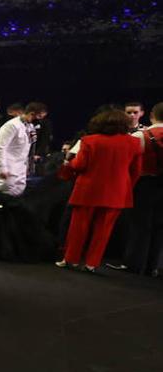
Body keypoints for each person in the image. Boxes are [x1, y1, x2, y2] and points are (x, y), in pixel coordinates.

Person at [57, 109, 143, 272]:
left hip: (88, 189)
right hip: (116, 192)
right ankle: (92, 264)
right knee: (104, 230)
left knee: (79, 226)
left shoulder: (89, 140)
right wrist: (125, 186)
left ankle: (71, 259)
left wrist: (70, 162)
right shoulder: (134, 143)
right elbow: (136, 171)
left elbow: (80, 165)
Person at [122, 102, 163, 275]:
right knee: (160, 226)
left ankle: (134, 264)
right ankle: (154, 266)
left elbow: (127, 163)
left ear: (151, 115)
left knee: (140, 225)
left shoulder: (140, 135)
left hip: (145, 183)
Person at [0, 104, 45, 196]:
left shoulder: (30, 127)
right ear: (32, 114)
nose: (40, 120)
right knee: (4, 196)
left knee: (17, 196)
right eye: (39, 117)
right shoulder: (11, 125)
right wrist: (2, 168)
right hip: (5, 167)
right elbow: (0, 147)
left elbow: (27, 149)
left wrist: (27, 167)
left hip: (19, 168)